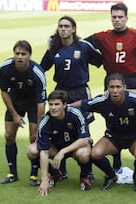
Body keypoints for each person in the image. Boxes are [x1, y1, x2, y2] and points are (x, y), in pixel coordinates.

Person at [85, 2, 136, 174]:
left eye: (120, 17)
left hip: (133, 80)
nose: (117, 20)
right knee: (111, 118)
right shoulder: (102, 37)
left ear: (126, 18)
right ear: (110, 18)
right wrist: (98, 59)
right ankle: (116, 161)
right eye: (114, 17)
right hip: (111, 80)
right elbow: (83, 46)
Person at [40, 15, 102, 180]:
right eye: (60, 26)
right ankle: (61, 170)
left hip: (80, 91)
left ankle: (87, 171)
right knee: (59, 127)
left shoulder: (84, 47)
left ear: (74, 29)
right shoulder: (53, 48)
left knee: (84, 128)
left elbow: (101, 61)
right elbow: (41, 68)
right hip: (61, 91)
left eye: (67, 26)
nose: (63, 29)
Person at [72, 73, 136, 191]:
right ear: (107, 88)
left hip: (135, 136)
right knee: (95, 154)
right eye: (112, 87)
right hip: (113, 137)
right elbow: (82, 104)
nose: (115, 91)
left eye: (118, 87)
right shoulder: (103, 101)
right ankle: (111, 175)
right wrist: (66, 109)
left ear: (124, 87)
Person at [0, 40, 46, 186]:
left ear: (29, 55)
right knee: (9, 135)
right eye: (17, 53)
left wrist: (41, 122)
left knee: (34, 137)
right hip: (15, 102)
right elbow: (3, 91)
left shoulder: (37, 73)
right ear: (14, 54)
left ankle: (34, 175)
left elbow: (41, 102)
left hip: (33, 104)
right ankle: (12, 173)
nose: (20, 57)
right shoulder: (5, 67)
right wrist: (15, 114)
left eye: (24, 54)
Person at [26, 90, 92, 195]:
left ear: (64, 105)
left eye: (57, 104)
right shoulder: (45, 121)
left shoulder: (75, 112)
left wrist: (63, 152)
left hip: (75, 147)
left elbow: (85, 139)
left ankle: (84, 176)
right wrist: (44, 179)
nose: (53, 107)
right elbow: (44, 151)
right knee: (31, 150)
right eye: (51, 104)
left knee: (83, 154)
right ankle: (55, 173)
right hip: (56, 148)